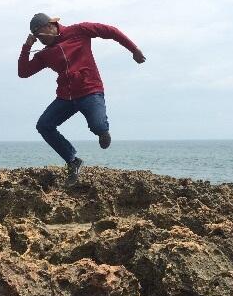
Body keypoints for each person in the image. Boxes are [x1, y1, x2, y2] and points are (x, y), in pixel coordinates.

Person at [18, 13, 146, 186]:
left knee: (98, 127)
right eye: (37, 38)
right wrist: (27, 47)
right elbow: (23, 72)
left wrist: (134, 49)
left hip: (90, 91)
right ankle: (73, 161)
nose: (40, 41)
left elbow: (111, 31)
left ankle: (102, 131)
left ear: (50, 25)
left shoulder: (79, 30)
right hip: (66, 97)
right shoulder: (45, 54)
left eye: (41, 36)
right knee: (44, 125)